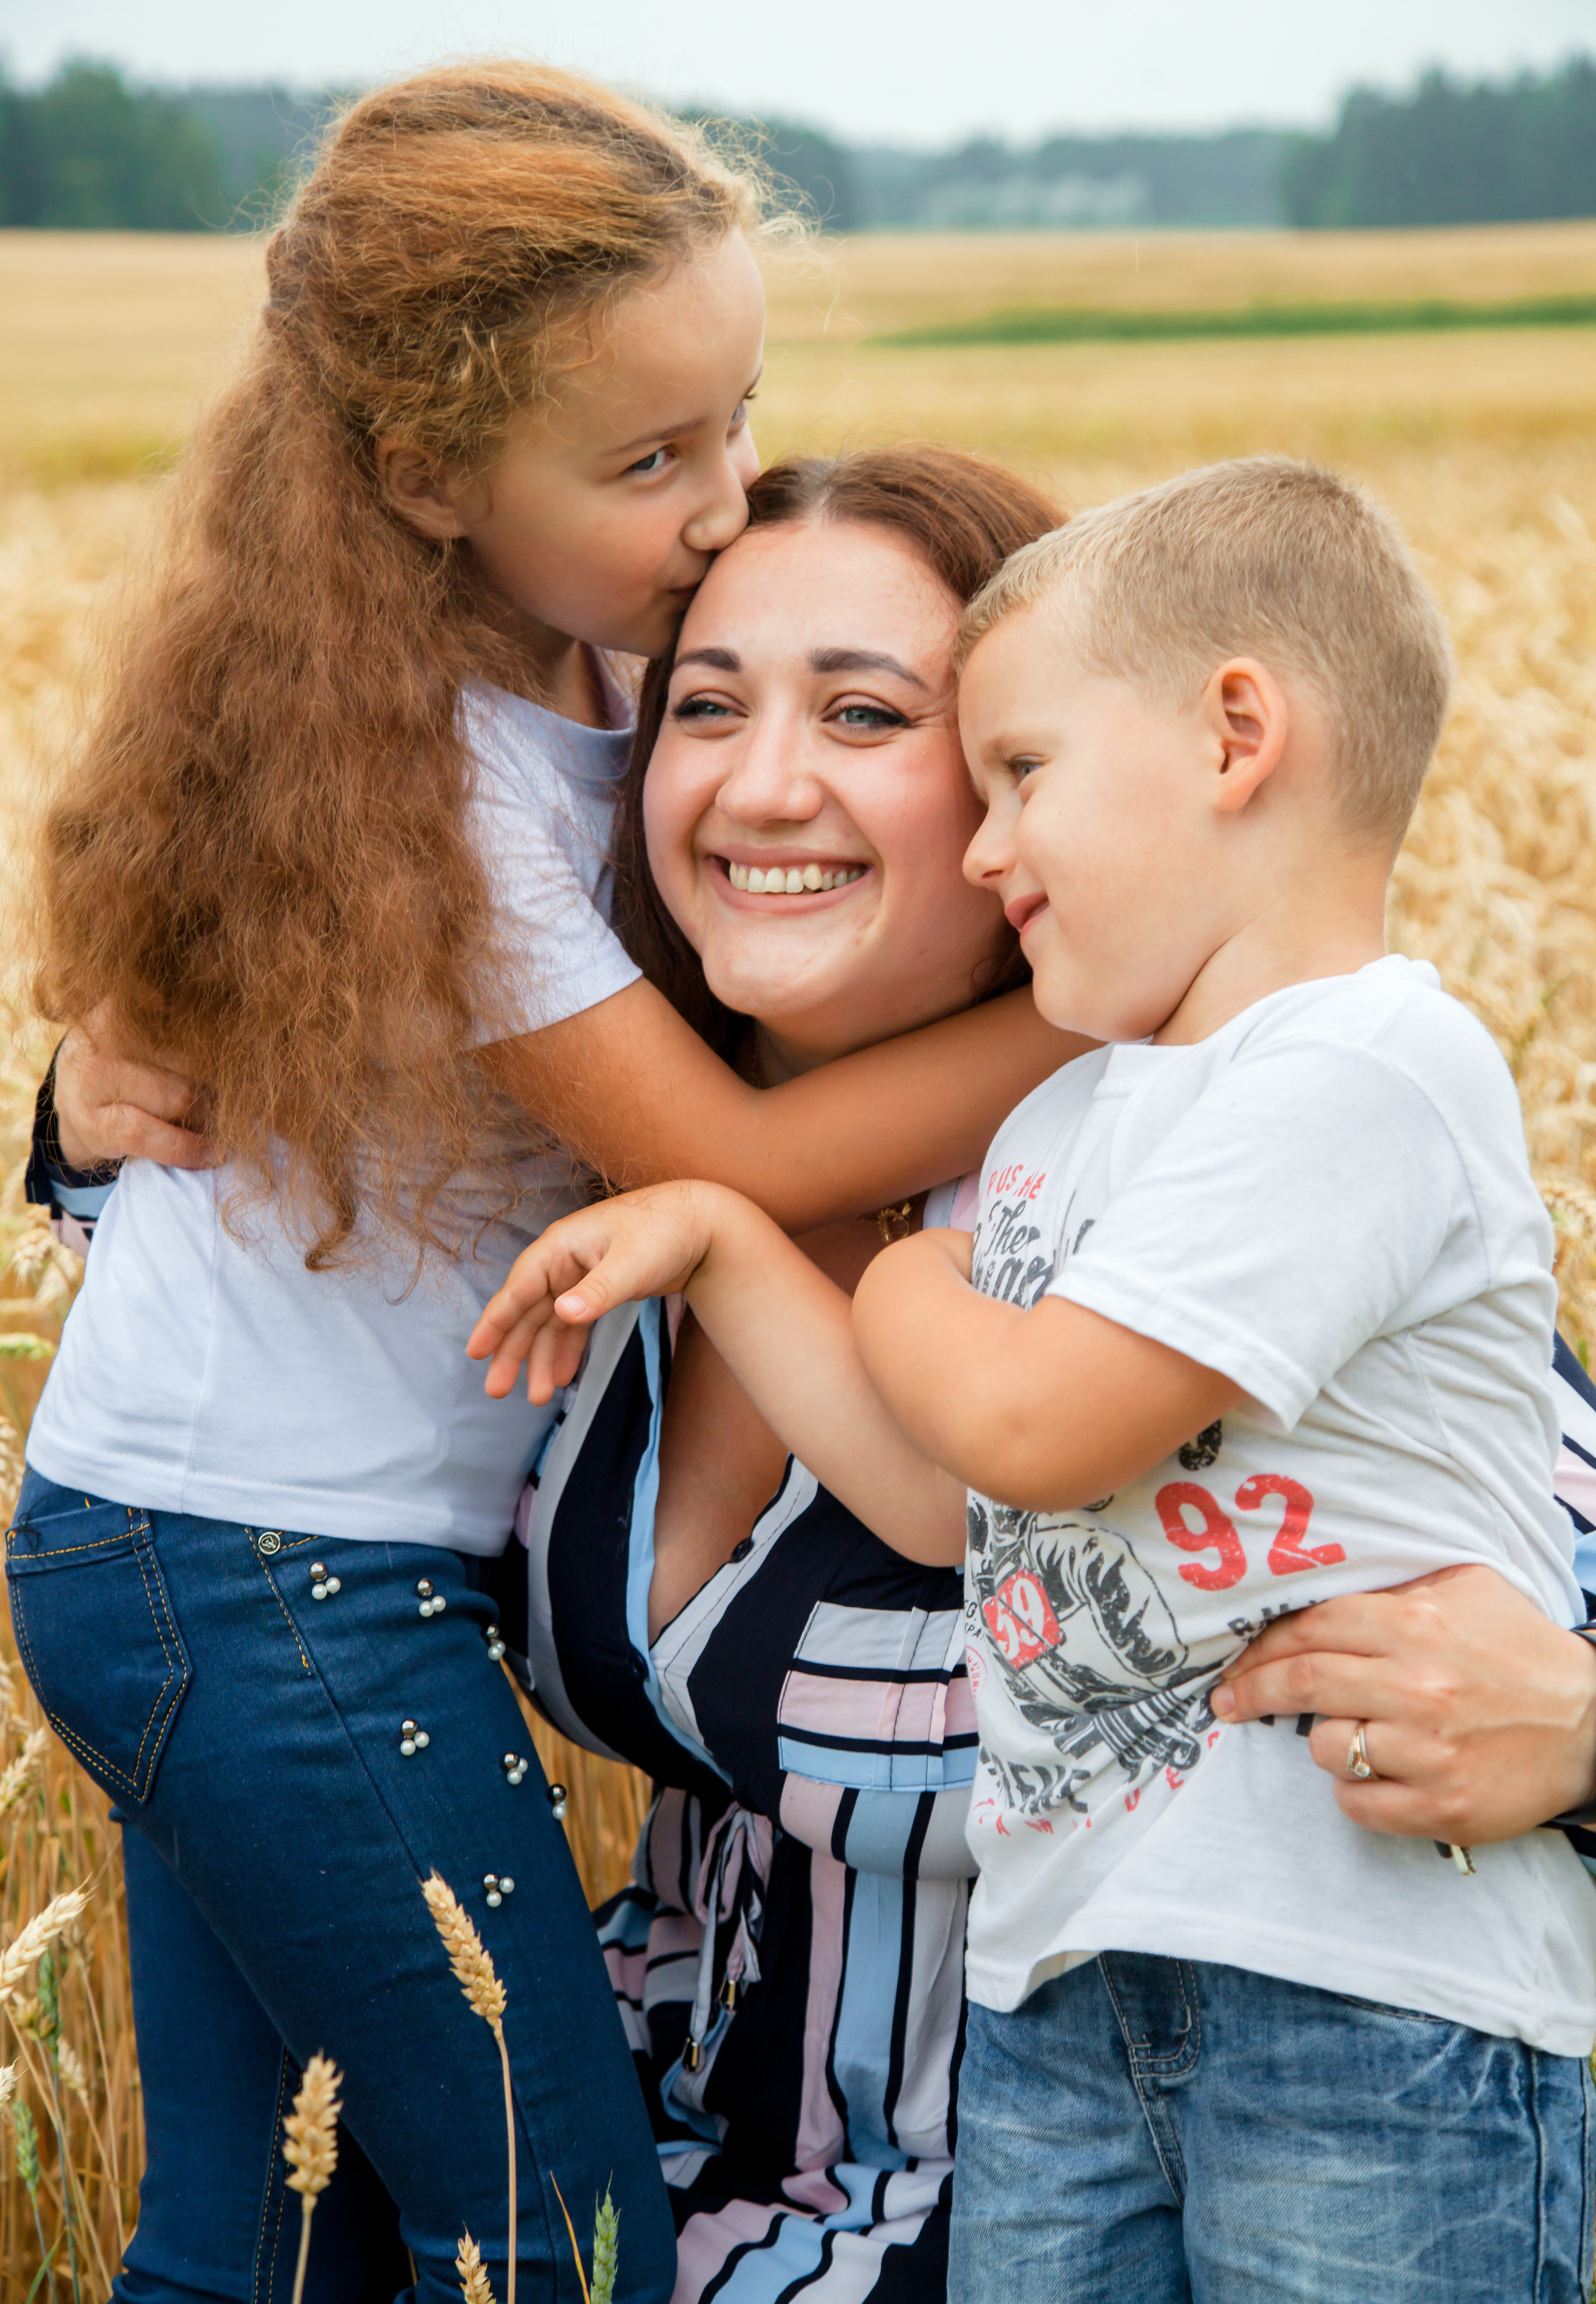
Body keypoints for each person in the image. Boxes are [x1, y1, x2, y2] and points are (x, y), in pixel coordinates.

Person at [8, 70, 1068, 2304]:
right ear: (424, 476)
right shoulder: (435, 787)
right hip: (263, 1571)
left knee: (260, 2247)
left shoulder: (616, 667)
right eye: (649, 459)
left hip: (205, 1547)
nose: (725, 503)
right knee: (556, 2235)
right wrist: (1113, 992)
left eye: (736, 420)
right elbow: (736, 1161)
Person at [471, 458, 1596, 2302]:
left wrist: (1589, 1731)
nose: (765, 783)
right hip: (759, 2166)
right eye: (705, 708)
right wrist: (103, 1106)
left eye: (875, 718)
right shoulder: (565, 1178)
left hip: (1259, 2072)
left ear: (1218, 743)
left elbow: (1063, 1439)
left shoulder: (1285, 1132)